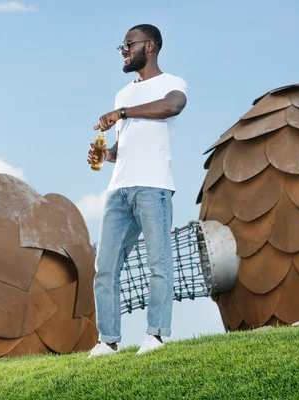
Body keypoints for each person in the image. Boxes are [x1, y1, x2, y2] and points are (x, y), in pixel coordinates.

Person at [87, 24, 187, 358]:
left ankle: (155, 336)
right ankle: (108, 341)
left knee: (158, 263)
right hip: (119, 190)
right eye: (122, 46)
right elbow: (124, 143)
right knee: (105, 266)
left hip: (153, 186)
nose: (123, 51)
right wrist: (107, 155)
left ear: (151, 46)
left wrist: (122, 113)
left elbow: (172, 106)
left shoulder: (172, 84)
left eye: (128, 44)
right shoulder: (123, 93)